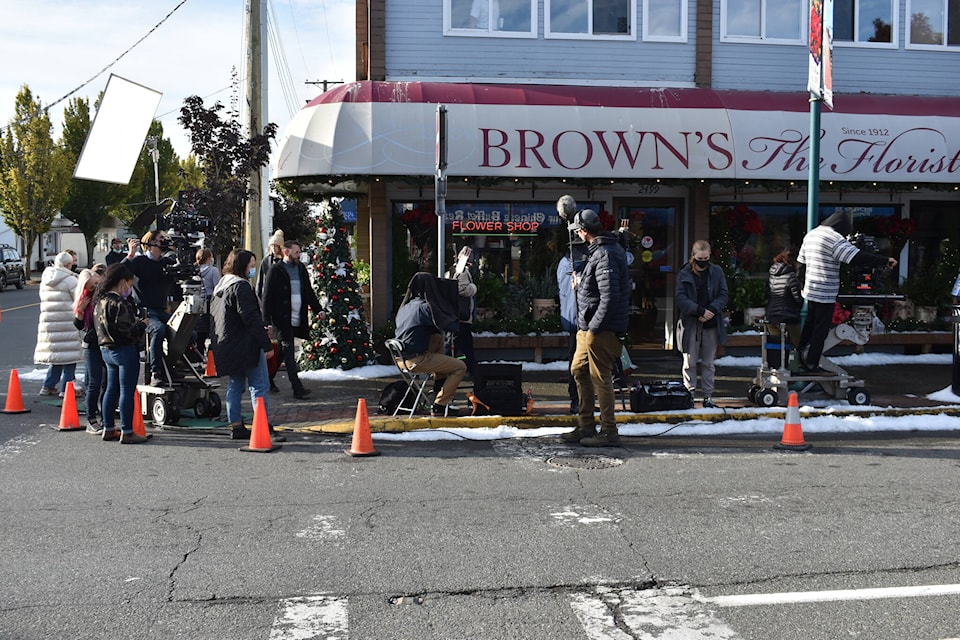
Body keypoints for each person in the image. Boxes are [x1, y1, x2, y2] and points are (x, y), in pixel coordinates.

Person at [797, 210, 896, 373]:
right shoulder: (834, 239)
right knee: (821, 330)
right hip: (825, 291)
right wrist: (884, 261)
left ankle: (800, 356)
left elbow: (801, 263)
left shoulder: (811, 235)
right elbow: (856, 257)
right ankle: (812, 363)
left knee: (810, 324)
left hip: (811, 289)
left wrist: (802, 285)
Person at [563, 209, 631, 446]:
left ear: (583, 231)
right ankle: (586, 426)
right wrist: (582, 284)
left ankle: (609, 432)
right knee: (579, 370)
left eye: (578, 231)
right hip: (589, 328)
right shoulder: (602, 251)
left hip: (600, 330)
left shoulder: (605, 254)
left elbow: (610, 297)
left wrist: (593, 329)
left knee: (600, 378)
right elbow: (601, 289)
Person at [209, 249, 283, 441]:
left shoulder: (220, 287)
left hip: (226, 345)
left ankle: (236, 426)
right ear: (242, 266)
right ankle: (262, 425)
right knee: (259, 385)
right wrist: (266, 344)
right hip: (246, 344)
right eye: (251, 265)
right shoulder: (241, 287)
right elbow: (250, 318)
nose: (253, 269)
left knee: (235, 385)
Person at [394, 272, 467, 416]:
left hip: (400, 359)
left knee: (436, 338)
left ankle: (439, 384)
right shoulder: (424, 308)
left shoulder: (406, 307)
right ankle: (439, 405)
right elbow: (450, 325)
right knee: (460, 367)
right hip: (416, 360)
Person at [93, 263, 150, 444]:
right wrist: (142, 324)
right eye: (128, 284)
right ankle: (127, 431)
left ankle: (108, 427)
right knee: (126, 390)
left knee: (111, 388)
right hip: (124, 350)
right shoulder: (119, 303)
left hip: (105, 349)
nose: (129, 288)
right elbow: (127, 331)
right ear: (122, 282)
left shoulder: (99, 301)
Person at [261, 240, 322, 399]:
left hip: (297, 317)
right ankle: (297, 388)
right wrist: (266, 321)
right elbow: (267, 296)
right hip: (282, 319)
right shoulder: (276, 270)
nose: (299, 255)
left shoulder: (301, 268)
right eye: (296, 252)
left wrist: (318, 310)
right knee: (289, 352)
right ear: (286, 252)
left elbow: (308, 292)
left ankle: (268, 378)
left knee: (281, 352)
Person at [676, 240, 728, 408]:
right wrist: (699, 310)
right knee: (689, 362)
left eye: (706, 258)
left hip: (711, 322)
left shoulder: (716, 272)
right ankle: (689, 395)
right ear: (693, 256)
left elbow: (723, 294)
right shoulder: (684, 273)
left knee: (708, 363)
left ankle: (707, 396)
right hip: (691, 322)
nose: (703, 261)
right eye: (700, 258)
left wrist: (712, 309)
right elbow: (680, 298)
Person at [124, 230, 178, 386]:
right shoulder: (140, 262)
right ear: (152, 243)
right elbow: (119, 271)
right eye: (161, 239)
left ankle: (170, 366)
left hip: (162, 309)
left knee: (188, 332)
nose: (164, 241)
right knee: (158, 329)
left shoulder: (166, 263)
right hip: (145, 310)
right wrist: (131, 254)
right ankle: (156, 372)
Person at [34, 251, 83, 397]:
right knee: (69, 356)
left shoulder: (46, 278)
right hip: (67, 322)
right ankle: (67, 389)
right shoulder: (70, 280)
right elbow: (79, 299)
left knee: (57, 356)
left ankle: (48, 385)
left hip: (49, 322)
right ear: (68, 264)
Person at [75, 264, 107, 433]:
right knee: (94, 382)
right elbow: (79, 325)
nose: (95, 287)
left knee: (106, 381)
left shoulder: (104, 295)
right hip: (92, 343)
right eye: (91, 285)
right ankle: (91, 418)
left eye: (96, 283)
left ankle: (104, 415)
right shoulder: (85, 298)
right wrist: (80, 311)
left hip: (105, 342)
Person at [557, 239, 588, 414]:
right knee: (578, 364)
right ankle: (576, 400)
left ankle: (580, 400)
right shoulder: (574, 268)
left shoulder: (565, 264)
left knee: (577, 363)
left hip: (574, 319)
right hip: (579, 320)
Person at [766, 246, 803, 368]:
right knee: (800, 346)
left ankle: (776, 372)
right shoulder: (791, 276)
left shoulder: (773, 273)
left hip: (772, 316)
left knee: (777, 348)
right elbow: (798, 298)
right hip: (788, 316)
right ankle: (795, 372)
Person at [444, 246, 478, 376]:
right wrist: (473, 288)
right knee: (461, 344)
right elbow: (460, 289)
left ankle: (469, 368)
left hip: (457, 315)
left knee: (459, 343)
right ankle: (470, 369)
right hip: (461, 316)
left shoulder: (454, 271)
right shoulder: (461, 271)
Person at [195, 247, 221, 352]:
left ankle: (199, 353)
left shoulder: (194, 270)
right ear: (209, 258)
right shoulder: (213, 270)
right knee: (212, 329)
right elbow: (218, 288)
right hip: (211, 300)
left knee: (200, 330)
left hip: (198, 301)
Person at [256, 229, 285, 299]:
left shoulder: (285, 260)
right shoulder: (266, 261)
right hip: (268, 295)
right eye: (272, 246)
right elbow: (260, 280)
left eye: (276, 246)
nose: (273, 248)